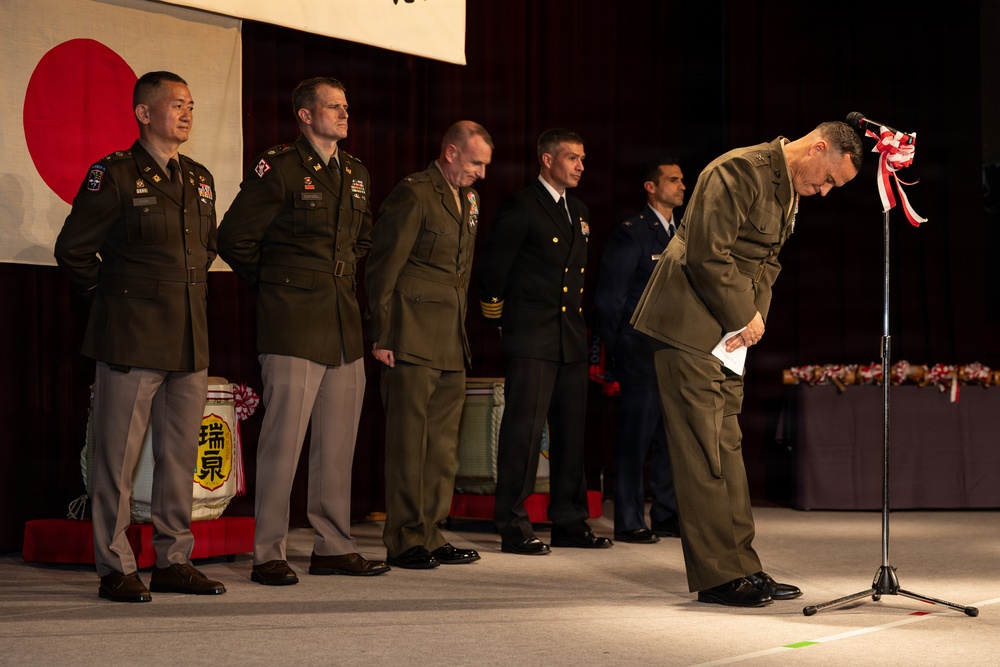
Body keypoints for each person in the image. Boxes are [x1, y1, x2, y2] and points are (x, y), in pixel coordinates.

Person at [631, 121, 862, 606]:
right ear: (818, 147)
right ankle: (717, 576)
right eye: (828, 180)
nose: (822, 192)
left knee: (727, 446)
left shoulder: (787, 188)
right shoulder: (740, 170)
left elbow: (766, 263)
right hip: (687, 323)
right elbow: (705, 255)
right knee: (703, 453)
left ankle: (743, 566)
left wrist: (750, 322)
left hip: (726, 334)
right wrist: (745, 316)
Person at [54, 71, 225, 602]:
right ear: (144, 113)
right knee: (117, 459)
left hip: (187, 337)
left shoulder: (198, 177)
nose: (187, 113)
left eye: (192, 105)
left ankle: (174, 560)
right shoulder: (115, 174)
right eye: (177, 104)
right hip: (130, 338)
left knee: (179, 458)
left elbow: (205, 250)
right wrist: (113, 303)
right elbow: (74, 251)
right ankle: (114, 564)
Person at [217, 77, 389, 584]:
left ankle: (333, 545)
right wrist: (277, 285)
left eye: (345, 105)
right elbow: (234, 238)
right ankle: (268, 551)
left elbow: (361, 241)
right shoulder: (281, 167)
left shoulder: (355, 172)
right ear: (305, 116)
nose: (343, 113)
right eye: (332, 106)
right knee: (282, 444)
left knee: (337, 444)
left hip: (342, 320)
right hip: (292, 320)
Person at [365, 121, 494, 569]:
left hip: (451, 338)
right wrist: (382, 331)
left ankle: (432, 531)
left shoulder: (470, 198)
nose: (480, 172)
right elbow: (384, 265)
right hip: (411, 333)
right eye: (476, 162)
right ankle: (403, 538)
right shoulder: (415, 193)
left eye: (485, 165)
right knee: (408, 442)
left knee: (441, 445)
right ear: (452, 152)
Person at [478, 128, 613, 555]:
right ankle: (513, 525)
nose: (580, 166)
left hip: (569, 337)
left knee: (571, 436)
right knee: (523, 433)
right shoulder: (522, 206)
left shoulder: (580, 210)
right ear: (547, 160)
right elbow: (493, 270)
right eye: (572, 158)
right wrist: (500, 318)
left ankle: (570, 521)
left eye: (583, 159)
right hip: (532, 337)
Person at [593, 158, 685, 545]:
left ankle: (665, 513)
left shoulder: (683, 233)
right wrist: (616, 351)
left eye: (683, 180)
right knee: (635, 440)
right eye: (673, 180)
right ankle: (629, 520)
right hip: (639, 351)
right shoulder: (631, 233)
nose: (682, 186)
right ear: (650, 187)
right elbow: (610, 300)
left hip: (675, 353)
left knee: (670, 439)